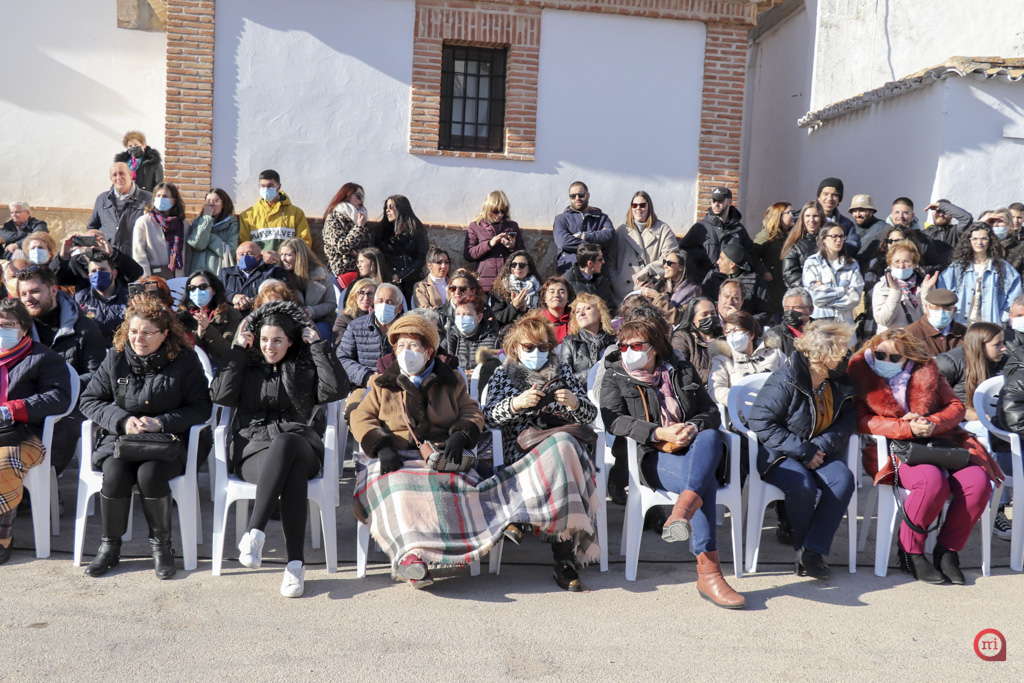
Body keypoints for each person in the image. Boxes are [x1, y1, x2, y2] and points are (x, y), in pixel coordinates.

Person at [600, 315, 744, 608]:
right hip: (653, 457)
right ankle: (709, 574)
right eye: (624, 346)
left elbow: (711, 412)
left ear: (654, 347)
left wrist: (691, 427)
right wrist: (657, 432)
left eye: (636, 345)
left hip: (694, 449)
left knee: (709, 436)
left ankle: (682, 512)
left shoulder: (680, 368)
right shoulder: (614, 374)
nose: (628, 351)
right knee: (703, 484)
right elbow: (614, 421)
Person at [212, 301, 348, 597]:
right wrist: (237, 350)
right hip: (254, 450)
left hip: (300, 444)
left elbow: (336, 389)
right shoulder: (246, 365)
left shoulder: (303, 366)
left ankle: (254, 532)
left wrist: (318, 347)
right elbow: (220, 396)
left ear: (290, 341)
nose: (269, 347)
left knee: (286, 442)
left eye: (277, 340)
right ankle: (295, 566)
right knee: (292, 474)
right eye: (264, 339)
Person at [849, 329, 1002, 584]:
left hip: (939, 441)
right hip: (894, 448)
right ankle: (910, 551)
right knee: (931, 482)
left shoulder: (927, 370)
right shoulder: (859, 372)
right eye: (880, 354)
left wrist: (931, 423)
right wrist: (906, 427)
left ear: (908, 358)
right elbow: (859, 420)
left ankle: (947, 550)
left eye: (894, 357)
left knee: (977, 482)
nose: (885, 360)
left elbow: (956, 407)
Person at [350, 314, 490, 589]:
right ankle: (411, 558)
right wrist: (381, 445)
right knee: (398, 488)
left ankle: (437, 554)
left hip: (439, 453)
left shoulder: (452, 380)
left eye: (413, 346)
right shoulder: (381, 382)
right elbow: (361, 417)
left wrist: (461, 434)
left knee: (449, 486)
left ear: (429, 352)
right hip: (394, 455)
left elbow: (472, 411)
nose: (406, 352)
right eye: (401, 346)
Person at [79, 297, 212, 579]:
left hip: (171, 441)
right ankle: (109, 547)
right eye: (134, 331)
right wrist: (123, 420)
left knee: (150, 474)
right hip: (123, 440)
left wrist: (161, 422)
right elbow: (89, 400)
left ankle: (161, 548)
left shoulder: (185, 360)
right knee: (115, 473)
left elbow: (202, 407)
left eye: (147, 333)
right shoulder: (115, 357)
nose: (138, 339)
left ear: (164, 334)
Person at [483, 315, 600, 591]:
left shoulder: (563, 372)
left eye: (544, 347)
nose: (536, 353)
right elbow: (488, 417)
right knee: (563, 449)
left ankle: (521, 518)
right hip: (523, 451)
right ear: (516, 348)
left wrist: (574, 403)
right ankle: (564, 556)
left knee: (563, 445)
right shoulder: (503, 373)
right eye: (529, 347)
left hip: (564, 447)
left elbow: (591, 415)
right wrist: (516, 404)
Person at [747, 320, 857, 580]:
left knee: (843, 480)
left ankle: (812, 551)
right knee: (802, 485)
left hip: (819, 450)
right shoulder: (786, 380)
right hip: (780, 453)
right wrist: (803, 450)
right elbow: (760, 422)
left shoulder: (840, 382)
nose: (847, 357)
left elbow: (849, 420)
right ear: (821, 356)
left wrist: (818, 447)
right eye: (842, 352)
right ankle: (804, 551)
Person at [0, 299, 73, 565]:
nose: (1, 330)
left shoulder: (43, 358)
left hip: (26, 434)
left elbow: (58, 398)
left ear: (23, 328)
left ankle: (3, 536)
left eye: (8, 325)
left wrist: (11, 409)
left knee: (4, 463)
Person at [18, 266, 105, 474]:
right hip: (29, 402)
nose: (28, 298)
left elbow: (98, 377)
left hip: (74, 404)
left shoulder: (85, 327)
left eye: (35, 291)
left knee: (59, 427)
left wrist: (56, 389)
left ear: (53, 290)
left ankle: (44, 483)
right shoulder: (18, 330)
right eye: (23, 294)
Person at [938, 222, 1022, 325]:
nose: (979, 242)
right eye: (975, 239)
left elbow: (1014, 297)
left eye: (984, 238)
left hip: (991, 325)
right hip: (961, 324)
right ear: (968, 241)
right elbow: (944, 292)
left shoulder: (1003, 268)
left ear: (990, 240)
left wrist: (1004, 318)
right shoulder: (957, 267)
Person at [681, 186, 767, 282]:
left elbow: (751, 256)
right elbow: (683, 252)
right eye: (714, 201)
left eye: (720, 201)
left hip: (731, 283)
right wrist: (703, 254)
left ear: (729, 202)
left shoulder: (738, 229)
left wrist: (737, 260)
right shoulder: (700, 227)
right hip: (706, 282)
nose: (716, 204)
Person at [607, 191, 678, 301]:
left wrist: (650, 271)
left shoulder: (663, 230)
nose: (638, 208)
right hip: (623, 294)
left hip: (650, 291)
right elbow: (610, 261)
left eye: (642, 205)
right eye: (634, 205)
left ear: (649, 207)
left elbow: (671, 259)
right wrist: (616, 281)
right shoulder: (622, 231)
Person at [708, 310, 786, 408]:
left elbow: (789, 379)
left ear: (751, 334)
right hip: (742, 410)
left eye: (736, 330)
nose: (732, 335)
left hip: (776, 406)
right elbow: (715, 389)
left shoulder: (774, 353)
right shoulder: (722, 359)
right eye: (728, 332)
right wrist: (739, 398)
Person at [337, 282, 403, 390]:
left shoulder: (406, 329)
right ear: (374, 304)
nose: (384, 306)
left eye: (389, 302)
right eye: (380, 301)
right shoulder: (355, 327)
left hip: (397, 387)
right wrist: (367, 377)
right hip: (364, 387)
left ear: (399, 308)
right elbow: (343, 359)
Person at [176, 270, 243, 369]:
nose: (197, 292)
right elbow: (177, 347)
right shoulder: (181, 315)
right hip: (188, 367)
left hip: (219, 367)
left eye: (203, 287)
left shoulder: (229, 314)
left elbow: (229, 352)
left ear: (214, 290)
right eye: (192, 288)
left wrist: (208, 329)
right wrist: (198, 335)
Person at [801, 222, 864, 325]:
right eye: (834, 236)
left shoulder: (852, 265)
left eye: (841, 236)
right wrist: (842, 290)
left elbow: (854, 297)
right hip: (820, 323)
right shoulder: (812, 263)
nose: (839, 240)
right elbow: (815, 296)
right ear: (823, 239)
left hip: (844, 324)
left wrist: (826, 297)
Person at [463, 190, 524, 292]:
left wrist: (512, 247)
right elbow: (468, 254)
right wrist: (489, 244)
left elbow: (523, 254)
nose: (500, 215)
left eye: (503, 211)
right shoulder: (476, 226)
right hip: (484, 284)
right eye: (496, 211)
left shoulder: (512, 226)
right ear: (488, 208)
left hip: (508, 281)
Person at [871, 240, 937, 333]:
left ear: (914, 264)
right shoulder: (882, 286)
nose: (901, 266)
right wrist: (895, 292)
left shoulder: (924, 284)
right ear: (890, 265)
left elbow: (931, 318)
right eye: (896, 262)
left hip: (919, 337)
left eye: (906, 261)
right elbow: (883, 320)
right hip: (894, 338)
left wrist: (926, 292)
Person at [238, 169, 312, 251]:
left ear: (278, 187)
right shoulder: (248, 215)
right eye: (262, 186)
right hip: (258, 259)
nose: (266, 189)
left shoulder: (296, 213)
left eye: (270, 186)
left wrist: (284, 256)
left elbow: (304, 243)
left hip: (286, 259)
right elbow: (243, 246)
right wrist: (261, 255)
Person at [87, 162, 153, 253]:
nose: (118, 178)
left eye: (122, 173)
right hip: (106, 256)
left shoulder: (148, 198)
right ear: (111, 178)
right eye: (114, 175)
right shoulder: (102, 199)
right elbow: (92, 227)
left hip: (134, 256)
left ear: (130, 175)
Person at [278, 237, 336, 339]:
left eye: (288, 255)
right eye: (281, 254)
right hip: (290, 321)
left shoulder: (320, 274)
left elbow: (331, 303)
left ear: (300, 256)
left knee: (322, 331)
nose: (283, 259)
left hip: (319, 320)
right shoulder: (279, 275)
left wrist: (312, 311)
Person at [701, 243, 772, 326]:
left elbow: (765, 313)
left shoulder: (755, 281)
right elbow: (702, 302)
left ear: (732, 264)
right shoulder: (712, 277)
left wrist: (744, 320)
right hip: (714, 326)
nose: (717, 262)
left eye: (721, 259)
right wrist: (720, 309)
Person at [552, 181, 614, 275]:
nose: (577, 198)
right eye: (573, 196)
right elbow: (563, 243)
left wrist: (584, 235)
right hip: (570, 270)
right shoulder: (561, 219)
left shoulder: (601, 217)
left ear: (588, 195)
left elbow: (610, 236)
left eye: (581, 195)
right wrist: (596, 245)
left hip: (597, 272)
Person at [132, 181, 191, 279]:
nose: (161, 199)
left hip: (177, 278)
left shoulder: (183, 224)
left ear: (173, 201)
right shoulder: (144, 222)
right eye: (158, 195)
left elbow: (187, 256)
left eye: (165, 196)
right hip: (153, 278)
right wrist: (146, 279)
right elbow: (139, 255)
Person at [56, 229, 143, 293]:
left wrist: (113, 255)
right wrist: (63, 256)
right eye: (89, 241)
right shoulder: (76, 262)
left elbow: (136, 273)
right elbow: (56, 280)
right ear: (82, 246)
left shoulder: (116, 260)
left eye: (98, 241)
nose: (93, 246)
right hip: (87, 306)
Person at [378, 195, 428, 301]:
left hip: (411, 281)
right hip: (388, 281)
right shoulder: (382, 231)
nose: (387, 210)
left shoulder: (416, 230)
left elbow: (421, 258)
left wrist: (401, 275)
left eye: (391, 206)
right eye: (386, 207)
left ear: (401, 208)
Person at [74, 251, 130, 344]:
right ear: (89, 276)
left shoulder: (128, 298)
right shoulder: (79, 299)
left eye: (103, 270)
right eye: (93, 271)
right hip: (91, 349)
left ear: (114, 273)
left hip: (119, 349)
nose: (98, 274)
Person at [322, 182, 370, 287]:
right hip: (341, 273)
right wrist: (359, 228)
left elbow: (367, 248)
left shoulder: (361, 218)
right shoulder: (334, 218)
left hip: (360, 273)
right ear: (347, 196)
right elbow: (342, 247)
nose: (361, 200)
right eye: (358, 196)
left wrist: (354, 253)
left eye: (363, 197)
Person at [559, 293, 615, 383]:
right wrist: (597, 370)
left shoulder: (615, 340)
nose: (581, 314)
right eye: (577, 311)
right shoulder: (569, 342)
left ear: (600, 312)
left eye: (587, 308)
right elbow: (566, 378)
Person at [219, 241, 287, 313]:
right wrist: (232, 297)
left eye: (250, 253)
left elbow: (282, 291)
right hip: (233, 317)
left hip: (262, 315)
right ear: (237, 259)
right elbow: (216, 291)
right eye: (241, 254)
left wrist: (251, 301)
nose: (245, 257)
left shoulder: (274, 271)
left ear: (260, 257)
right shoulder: (225, 273)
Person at [638, 250, 702, 326]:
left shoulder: (693, 291)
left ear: (681, 267)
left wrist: (657, 297)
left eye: (669, 263)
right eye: (664, 262)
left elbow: (676, 318)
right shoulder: (662, 283)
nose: (665, 266)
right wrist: (648, 292)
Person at [187, 188, 239, 275]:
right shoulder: (198, 222)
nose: (211, 204)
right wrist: (206, 219)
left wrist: (208, 236)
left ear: (223, 204)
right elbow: (198, 244)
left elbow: (231, 252)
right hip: (198, 273)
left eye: (216, 201)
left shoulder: (232, 224)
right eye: (208, 201)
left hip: (220, 273)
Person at [754, 201, 794, 312]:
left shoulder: (792, 235)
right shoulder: (766, 235)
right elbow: (753, 255)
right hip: (772, 286)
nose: (793, 215)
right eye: (789, 212)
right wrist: (764, 271)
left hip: (786, 284)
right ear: (779, 216)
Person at [441, 298, 499, 373]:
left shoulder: (494, 340)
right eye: (458, 314)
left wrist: (478, 374)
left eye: (467, 314)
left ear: (479, 318)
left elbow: (498, 369)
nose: (461, 318)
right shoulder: (451, 337)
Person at [904, 289, 967, 356]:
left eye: (946, 309)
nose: (941, 313)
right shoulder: (911, 333)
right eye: (935, 308)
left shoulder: (964, 333)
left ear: (954, 311)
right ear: (927, 308)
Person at [671, 297, 720, 383]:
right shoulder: (682, 337)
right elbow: (681, 368)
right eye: (704, 315)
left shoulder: (724, 336)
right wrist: (717, 375)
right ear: (693, 318)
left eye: (713, 313)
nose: (710, 317)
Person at [780, 200, 825, 288]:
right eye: (808, 216)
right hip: (803, 292)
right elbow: (790, 274)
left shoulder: (829, 240)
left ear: (821, 218)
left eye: (815, 216)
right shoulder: (794, 242)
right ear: (802, 218)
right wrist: (810, 287)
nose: (811, 220)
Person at [562, 243, 615, 314]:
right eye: (600, 259)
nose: (603, 261)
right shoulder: (567, 282)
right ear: (590, 263)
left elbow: (611, 308)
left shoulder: (602, 281)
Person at [921, 198, 974, 266]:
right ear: (933, 214)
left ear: (951, 216)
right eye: (938, 211)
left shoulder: (956, 231)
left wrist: (941, 206)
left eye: (945, 212)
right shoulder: (924, 234)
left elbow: (967, 219)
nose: (941, 214)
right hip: (931, 271)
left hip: (953, 270)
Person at [764, 287, 813, 358]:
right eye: (786, 308)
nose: (790, 312)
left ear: (810, 309)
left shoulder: (824, 332)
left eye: (796, 307)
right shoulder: (773, 335)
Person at [815, 177, 859, 254]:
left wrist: (834, 246)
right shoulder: (806, 219)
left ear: (839, 199)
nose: (829, 198)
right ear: (819, 197)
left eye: (834, 195)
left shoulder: (846, 224)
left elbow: (854, 245)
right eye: (825, 194)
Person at [849, 194, 888, 271]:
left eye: (862, 210)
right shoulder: (849, 227)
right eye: (855, 211)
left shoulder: (883, 227)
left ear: (871, 211)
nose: (858, 215)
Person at [332, 279, 375, 345]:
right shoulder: (343, 320)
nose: (366, 298)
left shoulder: (380, 319)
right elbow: (339, 347)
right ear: (354, 296)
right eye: (361, 293)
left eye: (370, 294)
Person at [536, 276, 574, 343]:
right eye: (552, 292)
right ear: (545, 298)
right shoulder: (537, 321)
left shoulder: (575, 319)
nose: (556, 295)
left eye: (561, 292)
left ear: (568, 298)